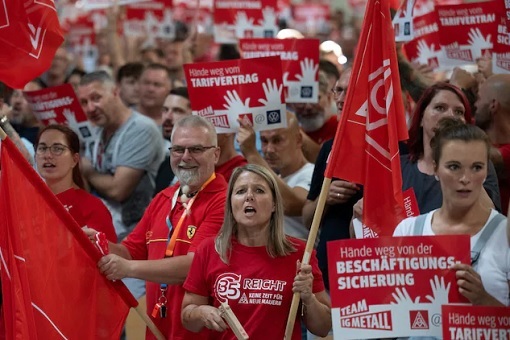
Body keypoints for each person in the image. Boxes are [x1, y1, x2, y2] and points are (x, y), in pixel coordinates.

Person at [89, 115, 227, 339]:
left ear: (216, 154)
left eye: (196, 149)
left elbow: (195, 266)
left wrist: (128, 268)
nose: (185, 157)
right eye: (178, 150)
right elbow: (129, 252)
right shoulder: (163, 198)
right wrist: (98, 242)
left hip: (202, 333)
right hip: (158, 330)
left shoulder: (224, 201)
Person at [181, 164, 331, 339]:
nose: (249, 197)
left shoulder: (300, 253)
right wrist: (201, 313)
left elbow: (323, 328)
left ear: (275, 204)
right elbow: (187, 318)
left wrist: (309, 298)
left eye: (259, 190)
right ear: (230, 203)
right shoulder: (209, 249)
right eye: (240, 191)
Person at [394, 118, 509, 306]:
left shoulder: (506, 234)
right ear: (436, 169)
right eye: (454, 167)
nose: (465, 178)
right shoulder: (407, 231)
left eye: (477, 167)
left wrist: (484, 300)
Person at [78, 70, 164, 241]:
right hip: (101, 229)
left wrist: (87, 171)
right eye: (84, 102)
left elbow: (118, 190)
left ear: (115, 92)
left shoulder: (141, 129)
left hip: (135, 235)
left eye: (96, 98)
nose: (90, 108)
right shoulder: (95, 130)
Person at [302, 67, 361, 292]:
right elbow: (308, 218)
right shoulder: (329, 148)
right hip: (328, 280)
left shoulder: (392, 150)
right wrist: (324, 198)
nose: (341, 98)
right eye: (338, 91)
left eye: (351, 91)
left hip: (373, 274)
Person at [403, 82, 501, 213]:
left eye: (459, 112)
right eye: (440, 108)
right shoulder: (396, 168)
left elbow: (492, 219)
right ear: (421, 118)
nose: (450, 116)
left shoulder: (481, 165)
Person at [238, 111, 313, 240]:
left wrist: (251, 153)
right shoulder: (276, 178)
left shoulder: (311, 173)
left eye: (277, 140)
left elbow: (290, 205)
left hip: (299, 258)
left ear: (298, 140)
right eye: (264, 141)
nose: (269, 149)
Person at [35, 124, 117, 242]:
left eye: (57, 149)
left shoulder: (93, 207)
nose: (47, 155)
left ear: (75, 159)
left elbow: (108, 257)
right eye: (42, 148)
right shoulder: (28, 202)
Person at [474, 74, 510, 215]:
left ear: (493, 105)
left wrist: (459, 87)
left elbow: (471, 153)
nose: (475, 105)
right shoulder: (475, 129)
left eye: (478, 98)